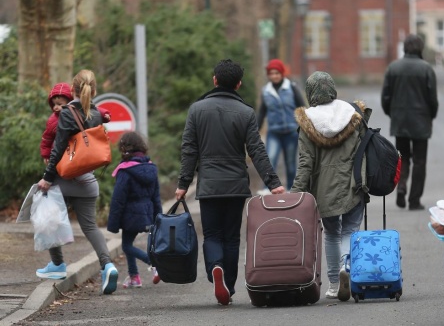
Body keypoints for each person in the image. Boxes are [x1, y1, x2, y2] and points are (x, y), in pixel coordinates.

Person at [175, 59, 285, 306]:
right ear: (238, 84)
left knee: (212, 234)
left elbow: (189, 149)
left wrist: (183, 183)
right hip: (235, 184)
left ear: (214, 80)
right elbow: (256, 149)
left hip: (209, 184)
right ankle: (230, 286)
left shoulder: (196, 110)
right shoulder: (245, 112)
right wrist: (272, 182)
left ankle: (216, 268)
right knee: (232, 237)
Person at [37, 69, 119, 295]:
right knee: (91, 227)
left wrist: (47, 178)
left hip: (64, 179)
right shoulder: (95, 113)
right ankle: (108, 266)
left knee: (48, 219)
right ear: (94, 90)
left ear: (72, 90)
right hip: (88, 180)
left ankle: (57, 265)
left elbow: (59, 148)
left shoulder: (66, 113)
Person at [290, 71, 369, 302]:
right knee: (350, 231)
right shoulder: (353, 114)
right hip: (354, 183)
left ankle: (335, 283)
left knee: (332, 234)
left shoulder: (308, 122)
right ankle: (348, 268)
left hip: (323, 190)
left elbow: (306, 163)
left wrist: (296, 195)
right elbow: (365, 151)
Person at [381, 34, 438, 210]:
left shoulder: (393, 68)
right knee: (420, 161)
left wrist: (392, 114)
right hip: (421, 120)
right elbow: (432, 99)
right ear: (420, 48)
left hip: (400, 121)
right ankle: (414, 200)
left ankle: (402, 186)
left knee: (402, 158)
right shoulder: (427, 69)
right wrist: (430, 115)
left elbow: (385, 97)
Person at [107, 131, 162, 289]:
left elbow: (118, 199)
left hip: (129, 214)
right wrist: (158, 217)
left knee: (126, 246)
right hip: (146, 212)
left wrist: (113, 223)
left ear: (124, 148)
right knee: (127, 242)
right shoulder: (151, 168)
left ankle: (154, 264)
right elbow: (156, 196)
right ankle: (134, 277)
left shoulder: (125, 170)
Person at [256, 59, 306, 193]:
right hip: (274, 132)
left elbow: (302, 107)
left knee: (290, 164)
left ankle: (291, 188)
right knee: (271, 160)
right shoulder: (266, 91)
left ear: (282, 73)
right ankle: (268, 187)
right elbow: (262, 112)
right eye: (271, 73)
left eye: (277, 73)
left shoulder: (291, 88)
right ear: (268, 75)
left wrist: (305, 127)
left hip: (291, 132)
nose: (274, 76)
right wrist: (255, 131)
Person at [40, 82, 111, 165]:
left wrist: (104, 114)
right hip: (62, 155)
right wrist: (46, 154)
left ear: (70, 103)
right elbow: (47, 138)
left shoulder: (76, 112)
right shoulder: (52, 121)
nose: (55, 107)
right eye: (54, 104)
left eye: (59, 104)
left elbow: (91, 110)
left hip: (80, 151)